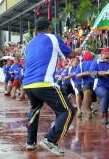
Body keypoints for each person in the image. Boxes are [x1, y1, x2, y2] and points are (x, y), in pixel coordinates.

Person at [22, 17, 81, 156]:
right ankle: (50, 140)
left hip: (28, 84)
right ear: (49, 28)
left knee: (35, 109)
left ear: (35, 30)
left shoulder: (29, 44)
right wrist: (77, 51)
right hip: (44, 83)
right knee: (67, 111)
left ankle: (30, 142)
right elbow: (71, 54)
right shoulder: (53, 37)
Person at [90, 48, 109, 124]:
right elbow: (92, 73)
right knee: (105, 94)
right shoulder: (97, 62)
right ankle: (104, 115)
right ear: (101, 56)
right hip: (99, 86)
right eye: (105, 54)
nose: (107, 55)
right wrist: (100, 73)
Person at [76, 51, 95, 119]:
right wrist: (84, 74)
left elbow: (94, 73)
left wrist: (86, 73)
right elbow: (77, 75)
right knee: (85, 93)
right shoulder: (80, 64)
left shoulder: (95, 62)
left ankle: (105, 111)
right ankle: (88, 111)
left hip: (96, 82)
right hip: (86, 83)